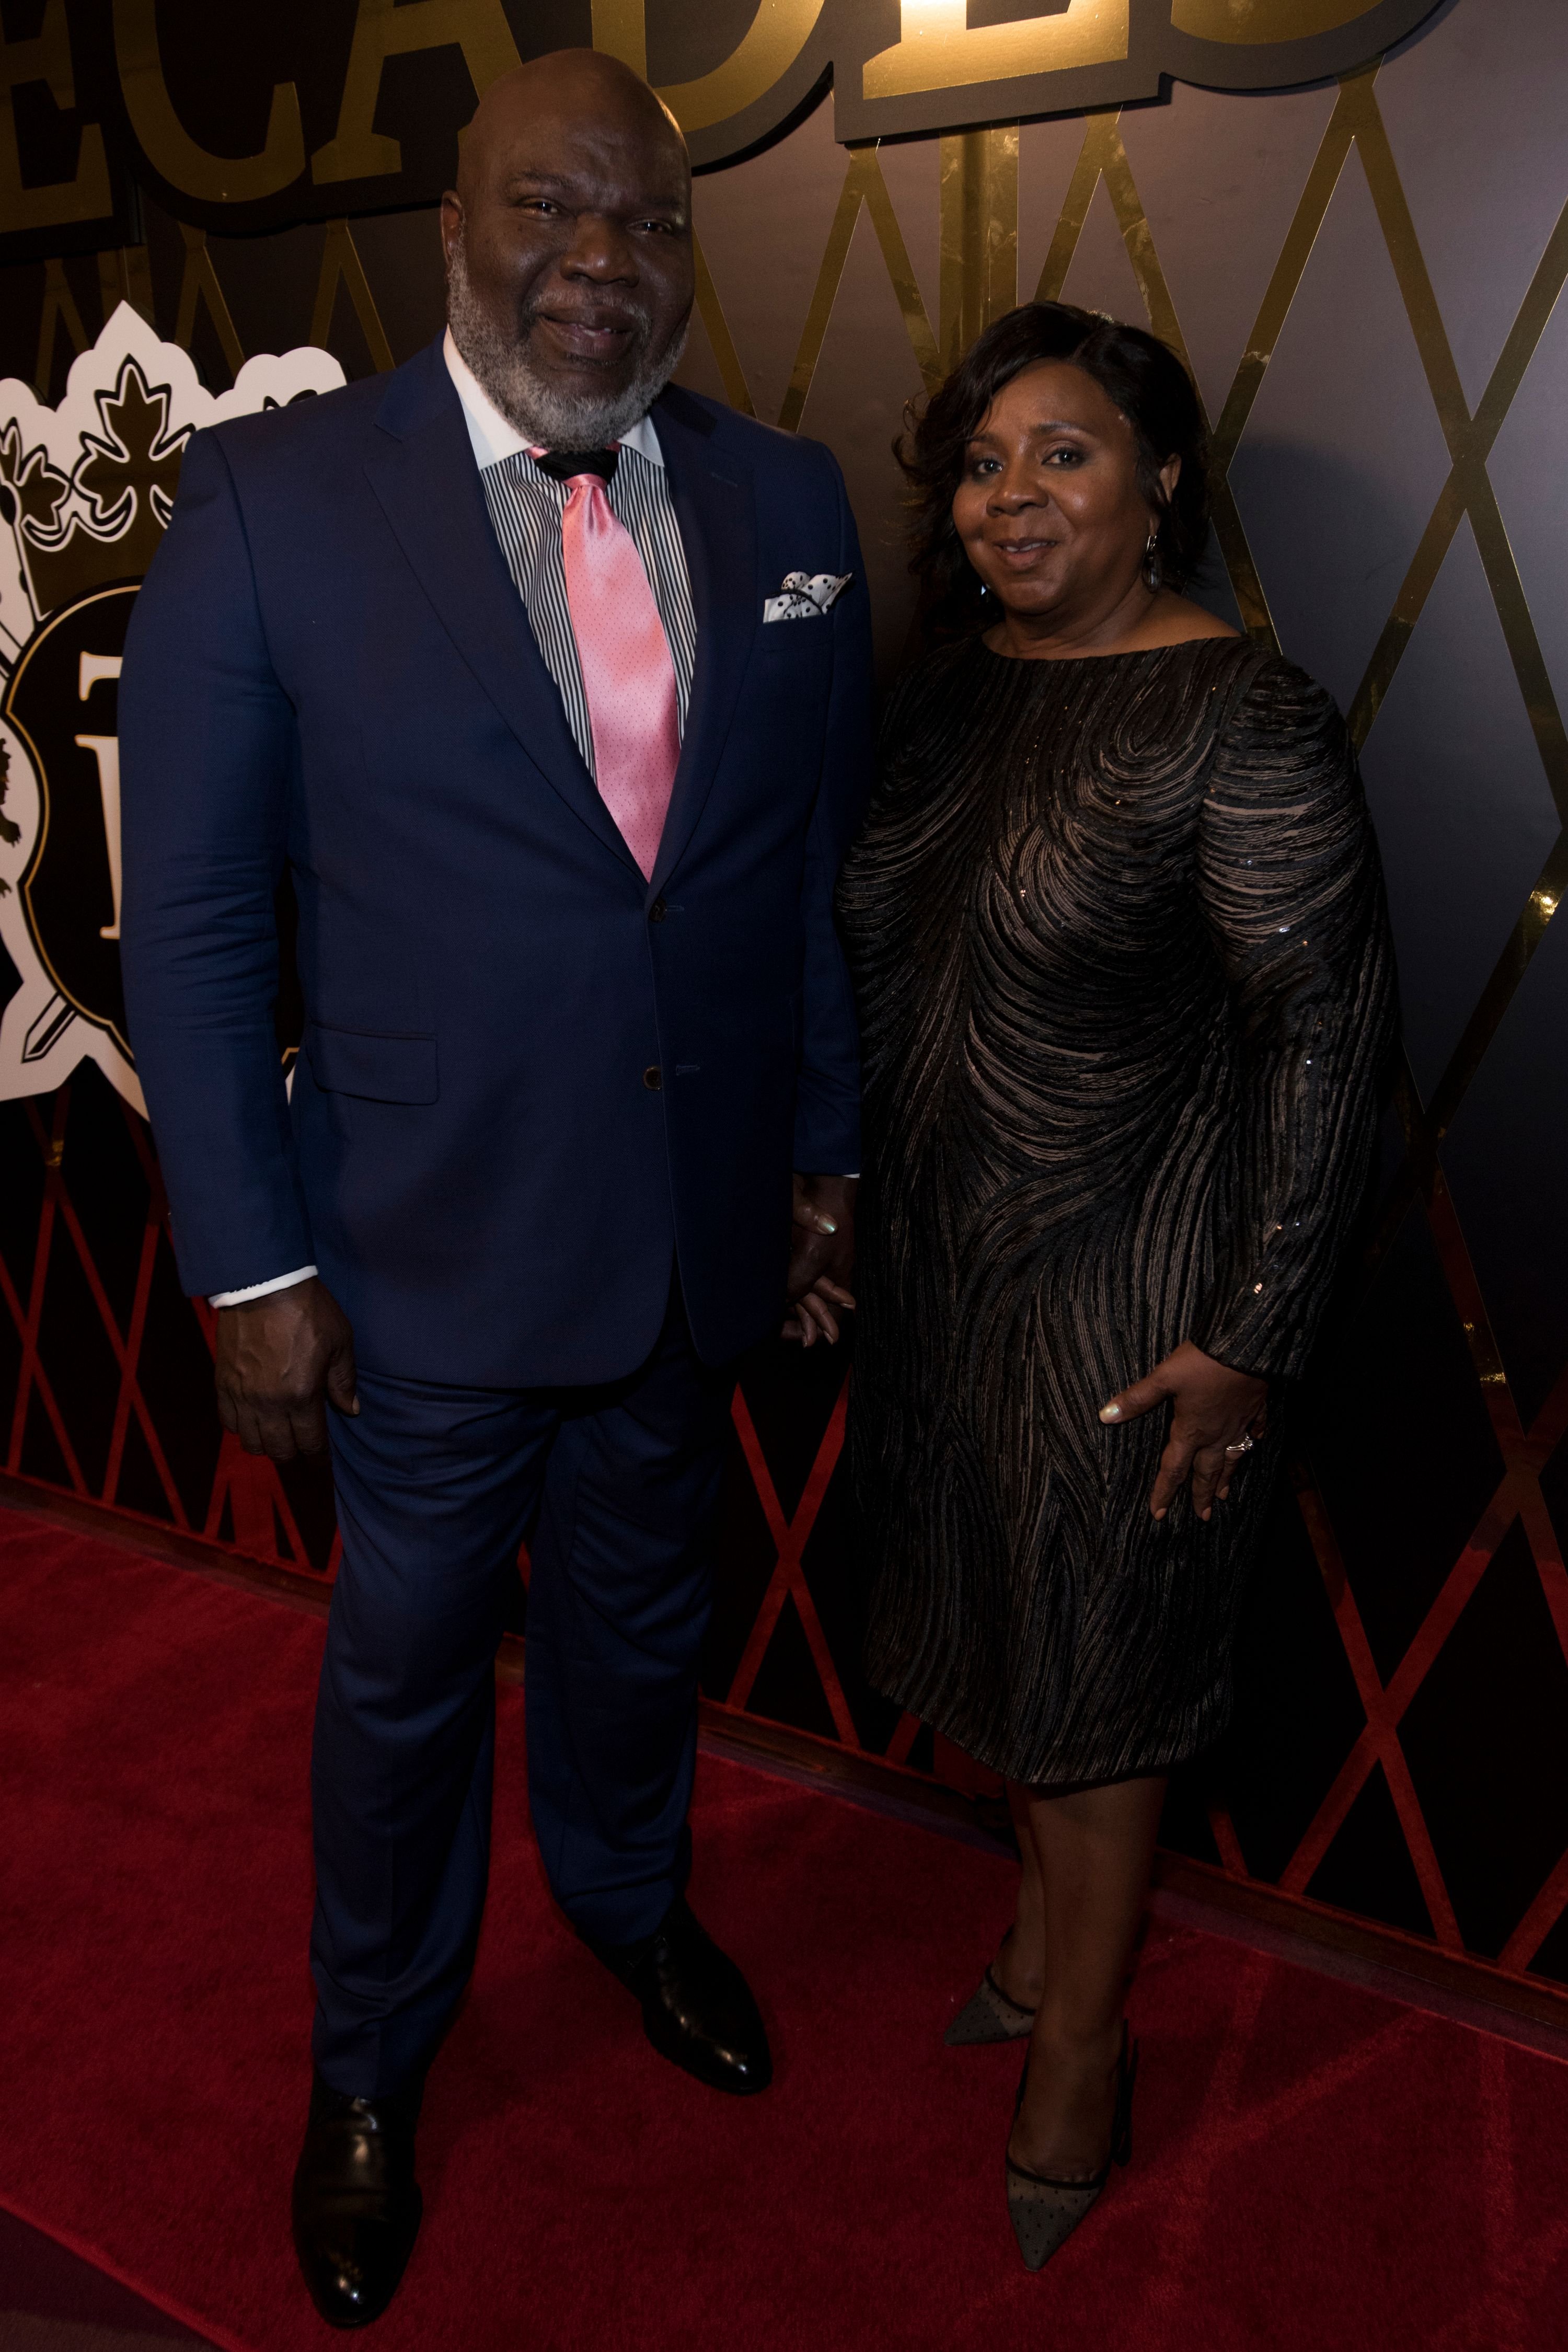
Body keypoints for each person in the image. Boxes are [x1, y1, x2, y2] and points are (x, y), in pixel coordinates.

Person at [119, 50, 868, 2328]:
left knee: (647, 1637)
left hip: (685, 1242)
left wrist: (822, 1153)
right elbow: (204, 926)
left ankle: (630, 1903)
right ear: (454, 231)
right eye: (551, 210)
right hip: (420, 1256)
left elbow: (790, 882)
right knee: (410, 1685)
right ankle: (372, 2068)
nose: (601, 262)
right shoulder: (267, 506)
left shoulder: (787, 494)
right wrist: (249, 1260)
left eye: (645, 220)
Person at [837, 301, 1396, 2271]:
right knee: (993, 1637)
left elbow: (1326, 1039)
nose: (1012, 497)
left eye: (1063, 454)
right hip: (939, 1278)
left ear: (1162, 480)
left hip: (1130, 1290)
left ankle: (1084, 2038)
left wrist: (1249, 1337)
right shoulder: (950, 691)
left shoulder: (1236, 712)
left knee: (1096, 1673)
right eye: (985, 465)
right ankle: (1026, 1932)